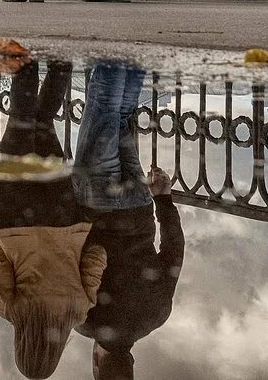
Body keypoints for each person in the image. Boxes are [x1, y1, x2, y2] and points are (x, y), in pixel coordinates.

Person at [0, 58, 105, 378]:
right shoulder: (10, 311)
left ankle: (61, 59)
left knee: (44, 122)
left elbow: (98, 255)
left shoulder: (79, 309)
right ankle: (24, 62)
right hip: (16, 210)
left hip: (62, 210)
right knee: (21, 122)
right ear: (20, 344)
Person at [70, 61, 183, 379]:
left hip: (138, 206)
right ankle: (114, 42)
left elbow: (174, 250)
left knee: (121, 115)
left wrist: (163, 200)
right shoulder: (84, 321)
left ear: (131, 365)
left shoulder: (156, 316)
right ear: (96, 363)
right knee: (102, 107)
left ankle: (133, 54)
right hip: (97, 204)